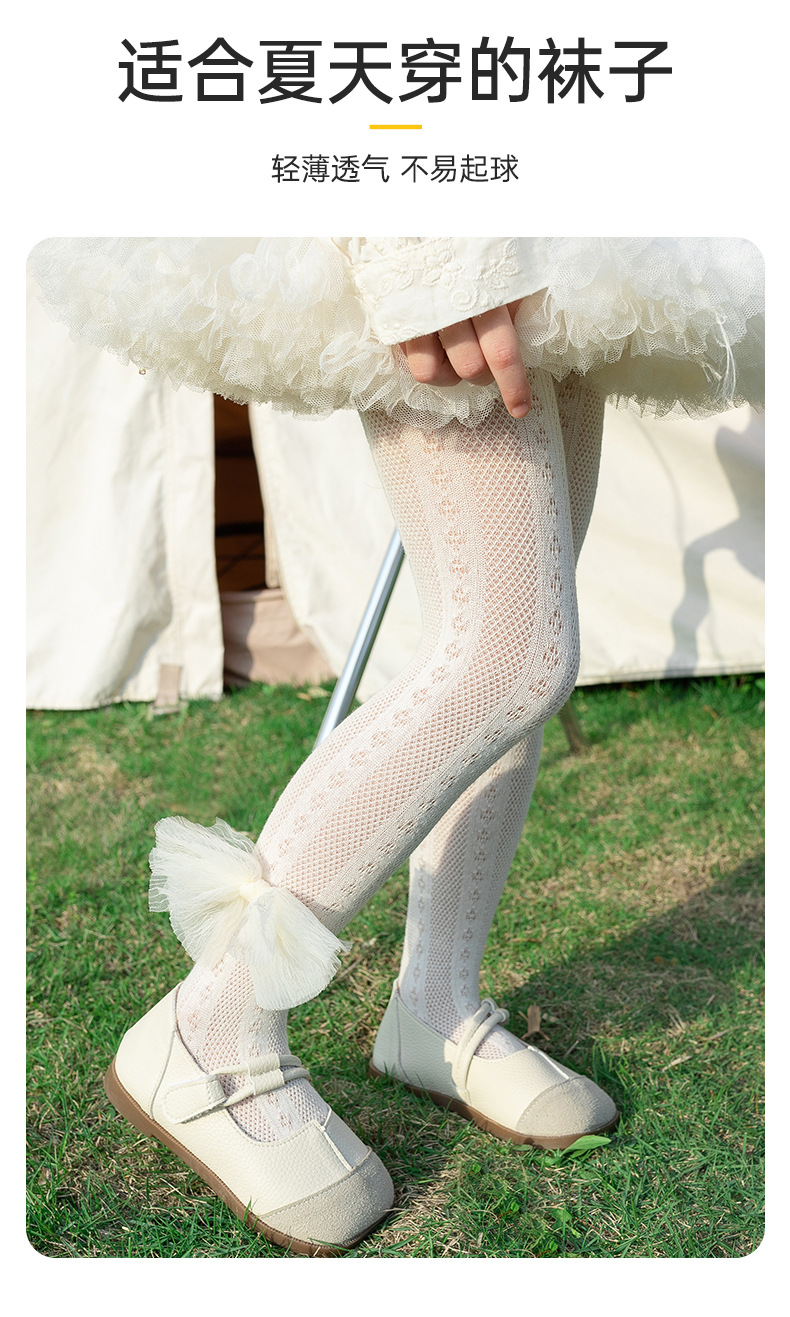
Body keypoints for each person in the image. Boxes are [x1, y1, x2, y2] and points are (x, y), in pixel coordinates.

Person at [29, 236, 765, 1256]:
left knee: (523, 643)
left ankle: (434, 1007)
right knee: (508, 657)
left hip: (564, 235)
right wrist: (433, 254)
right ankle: (211, 1026)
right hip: (442, 225)